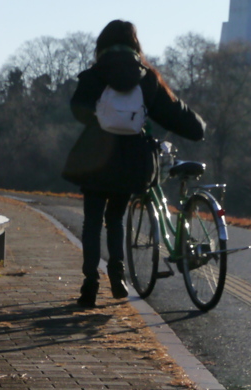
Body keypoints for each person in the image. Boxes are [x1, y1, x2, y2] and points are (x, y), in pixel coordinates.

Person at [63, 20, 206, 308]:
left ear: (102, 44)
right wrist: (199, 126)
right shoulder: (147, 78)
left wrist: (99, 122)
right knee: (115, 219)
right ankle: (117, 273)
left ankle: (90, 284)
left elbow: (78, 108)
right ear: (135, 45)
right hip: (131, 161)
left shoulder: (95, 75)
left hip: (95, 159)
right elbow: (174, 112)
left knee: (92, 222)